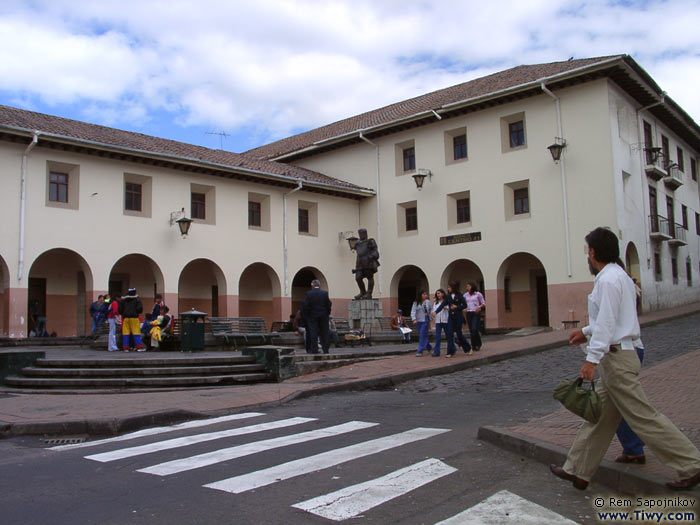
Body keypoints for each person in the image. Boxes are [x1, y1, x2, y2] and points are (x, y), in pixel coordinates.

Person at [550, 227, 700, 491]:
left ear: (594, 252)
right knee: (599, 419)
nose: (587, 256)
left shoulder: (608, 280)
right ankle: (578, 471)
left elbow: (608, 323)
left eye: (587, 250)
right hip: (619, 353)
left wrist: (591, 361)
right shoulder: (619, 276)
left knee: (644, 417)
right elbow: (614, 319)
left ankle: (693, 464)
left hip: (617, 358)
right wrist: (585, 332)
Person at [434, 282, 471, 357]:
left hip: (458, 316)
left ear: (453, 288)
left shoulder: (459, 295)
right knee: (450, 334)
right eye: (448, 288)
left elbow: (464, 305)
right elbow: (442, 305)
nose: (448, 289)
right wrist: (436, 312)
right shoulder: (448, 297)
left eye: (449, 287)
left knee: (459, 333)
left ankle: (468, 348)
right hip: (451, 317)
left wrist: (457, 307)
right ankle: (450, 352)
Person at [301, 279, 332, 354]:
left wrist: (306, 316)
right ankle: (325, 349)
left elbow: (305, 305)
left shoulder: (309, 293)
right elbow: (329, 304)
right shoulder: (325, 293)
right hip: (323, 316)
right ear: (319, 285)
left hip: (312, 316)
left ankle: (314, 349)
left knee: (313, 332)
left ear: (312, 285)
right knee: (325, 332)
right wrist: (327, 313)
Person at [352, 228, 380, 299]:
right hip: (359, 263)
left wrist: (371, 256)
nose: (360, 235)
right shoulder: (358, 243)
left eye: (361, 234)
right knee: (358, 278)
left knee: (369, 277)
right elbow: (357, 251)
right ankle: (363, 292)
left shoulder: (370, 241)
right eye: (359, 234)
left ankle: (369, 293)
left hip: (368, 262)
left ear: (365, 234)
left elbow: (375, 251)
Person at [118, 287, 144, 352]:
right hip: (134, 318)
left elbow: (120, 310)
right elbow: (139, 309)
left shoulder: (123, 300)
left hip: (126, 318)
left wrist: (124, 313)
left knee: (126, 333)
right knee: (136, 332)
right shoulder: (137, 300)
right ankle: (138, 346)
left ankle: (125, 347)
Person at [464, 282, 485, 351]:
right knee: (471, 330)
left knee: (474, 328)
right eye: (467, 286)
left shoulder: (478, 294)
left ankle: (478, 344)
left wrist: (479, 307)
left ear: (472, 287)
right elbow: (463, 303)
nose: (467, 287)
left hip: (476, 312)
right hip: (469, 312)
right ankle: (473, 345)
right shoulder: (465, 295)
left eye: (468, 286)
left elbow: (483, 303)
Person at [410, 290, 432, 356]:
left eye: (426, 294)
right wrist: (414, 319)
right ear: (420, 295)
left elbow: (431, 309)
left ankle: (420, 350)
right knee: (423, 335)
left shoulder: (428, 302)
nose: (425, 296)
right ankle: (429, 347)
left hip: (425, 319)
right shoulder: (416, 302)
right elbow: (413, 311)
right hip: (418, 320)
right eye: (424, 294)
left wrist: (429, 314)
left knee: (422, 334)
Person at [430, 289, 449, 357]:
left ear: (443, 294)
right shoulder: (436, 302)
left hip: (445, 320)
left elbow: (450, 308)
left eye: (439, 293)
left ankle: (453, 347)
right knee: (437, 337)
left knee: (448, 336)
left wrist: (446, 308)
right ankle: (436, 352)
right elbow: (434, 310)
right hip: (438, 321)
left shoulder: (446, 301)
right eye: (437, 293)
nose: (438, 295)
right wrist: (432, 314)